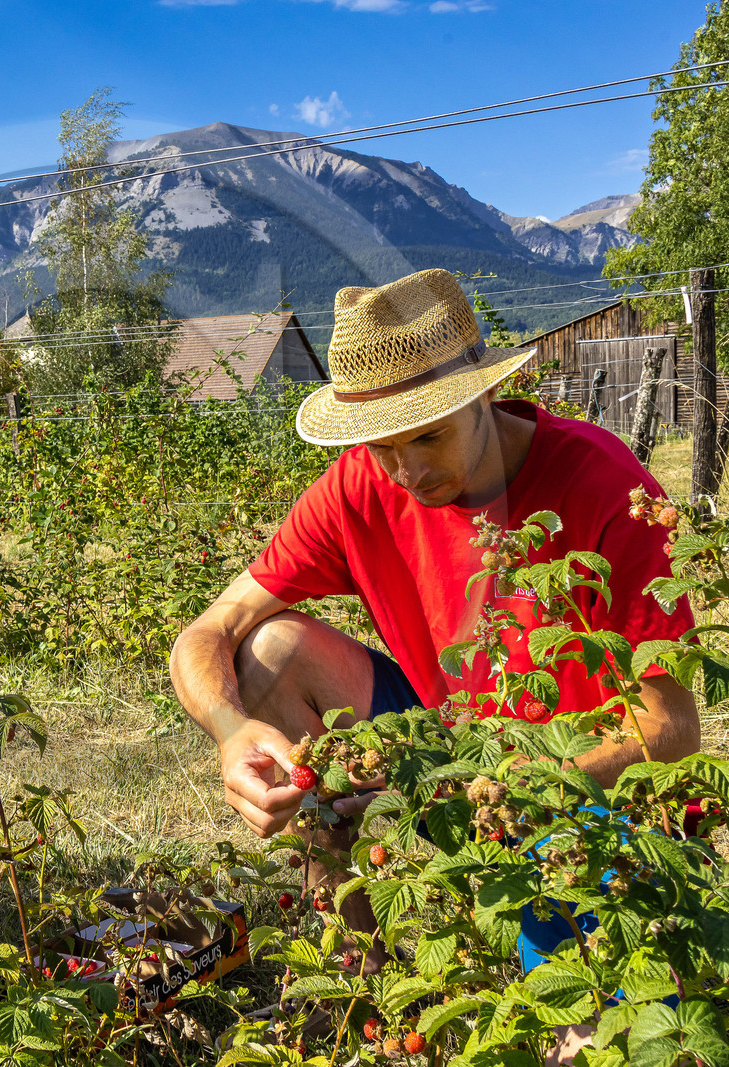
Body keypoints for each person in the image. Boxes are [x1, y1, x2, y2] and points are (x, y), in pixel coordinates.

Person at [169, 268, 699, 1062]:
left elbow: (669, 727)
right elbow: (206, 632)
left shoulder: (599, 486)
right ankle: (367, 988)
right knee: (269, 652)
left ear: (481, 391)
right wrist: (228, 726)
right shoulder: (358, 488)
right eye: (381, 446)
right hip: (454, 753)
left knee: (587, 1039)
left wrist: (508, 792)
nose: (406, 471)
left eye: (427, 435)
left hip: (588, 793)